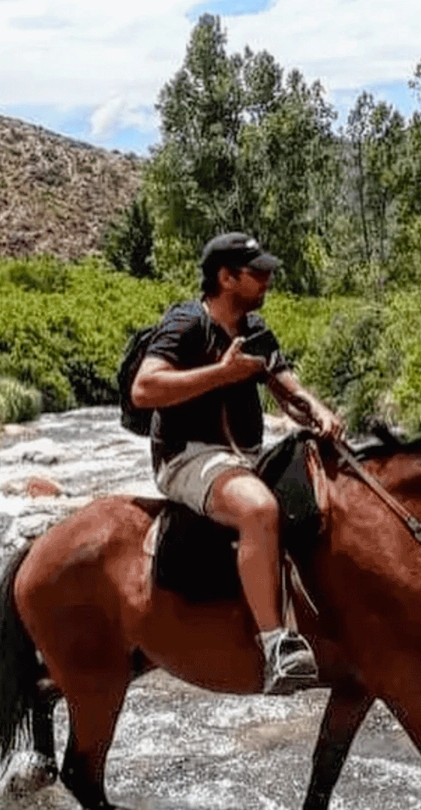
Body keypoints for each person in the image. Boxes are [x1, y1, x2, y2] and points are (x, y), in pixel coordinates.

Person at [130, 232, 345, 695]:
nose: (267, 279)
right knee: (258, 510)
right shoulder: (186, 323)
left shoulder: (255, 329)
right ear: (226, 278)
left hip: (245, 455)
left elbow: (286, 385)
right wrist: (222, 374)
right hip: (187, 456)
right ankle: (276, 645)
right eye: (257, 272)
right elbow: (144, 389)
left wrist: (318, 410)